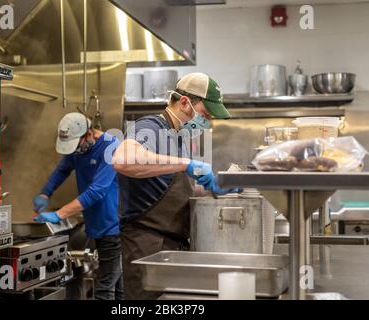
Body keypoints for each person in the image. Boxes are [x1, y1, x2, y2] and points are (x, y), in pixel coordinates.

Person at [112, 72, 242, 299]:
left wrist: (213, 187)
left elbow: (167, 187)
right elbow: (122, 160)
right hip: (147, 247)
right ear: (184, 102)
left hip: (170, 245)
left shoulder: (177, 138)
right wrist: (187, 164)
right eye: (205, 115)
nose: (207, 122)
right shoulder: (151, 126)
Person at [33, 112, 124, 300]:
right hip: (97, 224)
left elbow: (97, 190)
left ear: (88, 134)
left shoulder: (111, 146)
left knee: (105, 288)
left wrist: (59, 214)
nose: (74, 151)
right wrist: (45, 192)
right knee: (117, 284)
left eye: (76, 145)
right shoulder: (78, 150)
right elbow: (63, 170)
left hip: (113, 225)